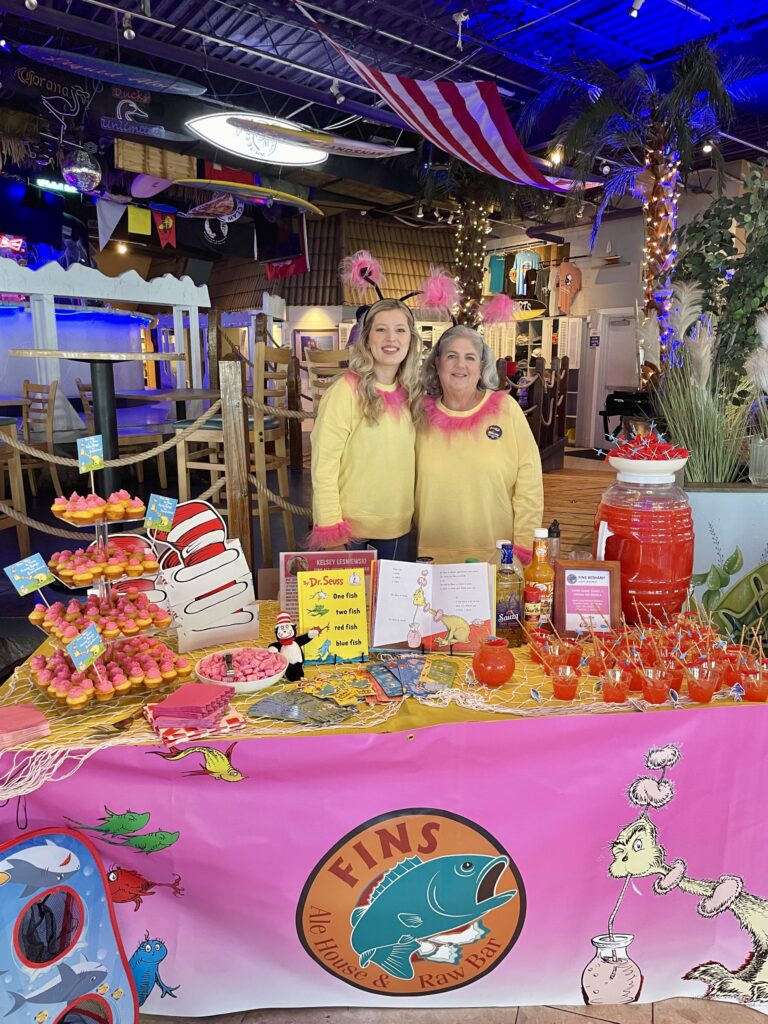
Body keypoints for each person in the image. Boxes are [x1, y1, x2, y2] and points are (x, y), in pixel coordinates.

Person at [415, 325, 543, 564]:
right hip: (430, 557)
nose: (460, 365)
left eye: (470, 357)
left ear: (482, 366)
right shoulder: (418, 415)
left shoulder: (507, 410)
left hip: (495, 557)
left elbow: (530, 485)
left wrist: (524, 547)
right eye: (451, 356)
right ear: (437, 363)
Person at [310, 298, 422, 558]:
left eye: (400, 330)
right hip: (349, 532)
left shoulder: (413, 394)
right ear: (367, 338)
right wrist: (331, 533)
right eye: (381, 329)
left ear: (411, 339)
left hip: (398, 528)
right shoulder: (344, 392)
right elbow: (324, 466)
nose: (391, 338)